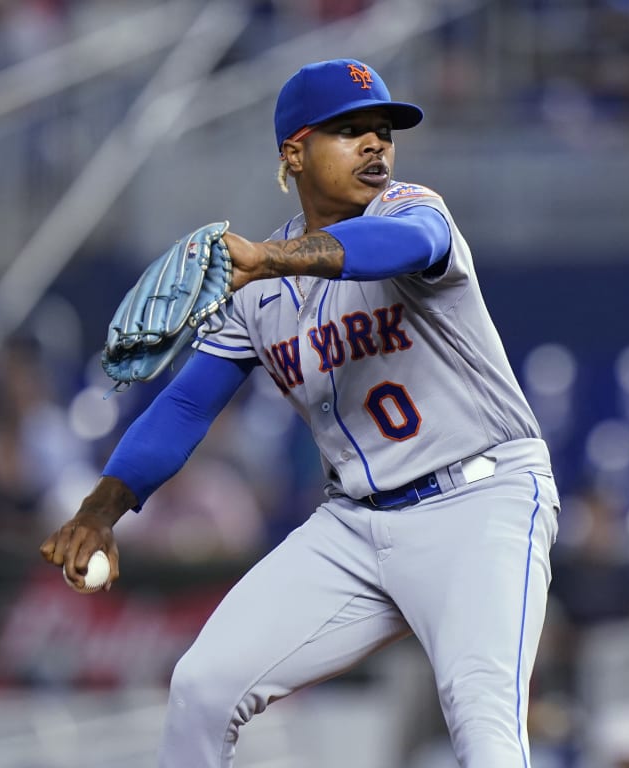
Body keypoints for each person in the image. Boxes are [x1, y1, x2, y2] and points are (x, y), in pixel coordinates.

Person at [40, 58, 561, 767]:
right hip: (356, 525)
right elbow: (187, 404)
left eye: (383, 130)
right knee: (202, 686)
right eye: (349, 131)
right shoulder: (257, 294)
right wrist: (101, 509)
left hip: (480, 501)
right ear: (294, 153)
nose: (375, 144)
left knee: (484, 727)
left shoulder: (411, 211)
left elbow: (402, 246)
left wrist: (269, 256)